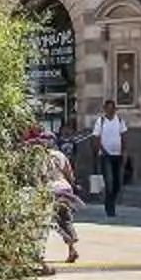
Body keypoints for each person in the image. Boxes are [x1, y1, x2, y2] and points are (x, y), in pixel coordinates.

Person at [34, 130, 82, 263]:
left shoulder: (41, 158)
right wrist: (73, 186)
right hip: (65, 188)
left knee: (44, 222)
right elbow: (70, 174)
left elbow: (40, 177)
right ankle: (72, 249)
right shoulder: (61, 155)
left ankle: (39, 253)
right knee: (65, 220)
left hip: (50, 190)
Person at [92, 99, 130, 220]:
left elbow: (124, 137)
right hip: (105, 156)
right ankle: (109, 208)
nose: (110, 111)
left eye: (112, 108)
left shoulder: (119, 121)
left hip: (117, 155)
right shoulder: (100, 121)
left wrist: (124, 152)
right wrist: (103, 151)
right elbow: (96, 138)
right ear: (105, 109)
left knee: (117, 183)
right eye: (108, 108)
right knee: (109, 181)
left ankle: (111, 201)